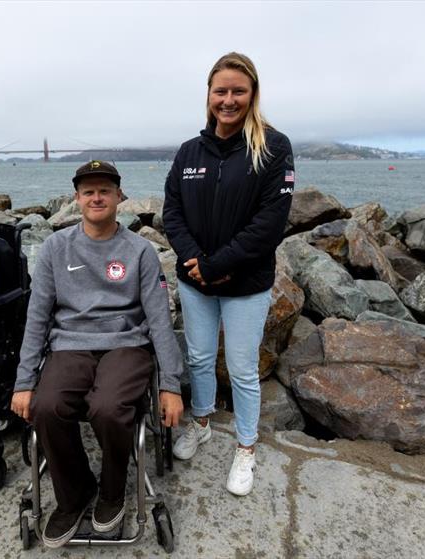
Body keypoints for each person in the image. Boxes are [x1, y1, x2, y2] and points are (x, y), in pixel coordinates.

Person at [11, 161, 184, 549]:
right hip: (71, 344)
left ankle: (112, 490)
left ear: (120, 197)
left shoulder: (140, 251)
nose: (96, 197)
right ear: (76, 199)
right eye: (88, 191)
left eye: (104, 190)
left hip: (126, 344)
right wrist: (24, 382)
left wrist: (171, 385)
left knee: (108, 408)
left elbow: (159, 320)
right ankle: (73, 496)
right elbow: (37, 317)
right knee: (46, 406)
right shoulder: (56, 247)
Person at [163, 52, 295, 496]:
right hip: (196, 281)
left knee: (240, 369)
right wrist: (195, 261)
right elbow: (172, 212)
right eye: (221, 90)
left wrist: (219, 264)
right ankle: (200, 422)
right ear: (209, 94)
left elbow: (270, 223)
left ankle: (245, 448)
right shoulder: (189, 152)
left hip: (245, 284)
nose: (229, 99)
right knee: (199, 358)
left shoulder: (274, 148)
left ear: (252, 94)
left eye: (238, 91)